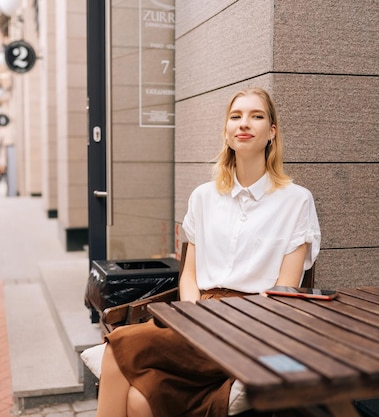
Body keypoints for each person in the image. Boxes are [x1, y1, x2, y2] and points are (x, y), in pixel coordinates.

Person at [95, 88, 321, 417]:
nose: (245, 123)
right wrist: (193, 316)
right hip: (197, 315)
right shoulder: (204, 196)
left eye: (257, 116)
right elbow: (189, 274)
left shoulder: (296, 200)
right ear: (226, 132)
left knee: (119, 349)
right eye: (236, 116)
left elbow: (286, 292)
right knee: (139, 401)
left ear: (272, 132)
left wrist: (227, 324)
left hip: (254, 325)